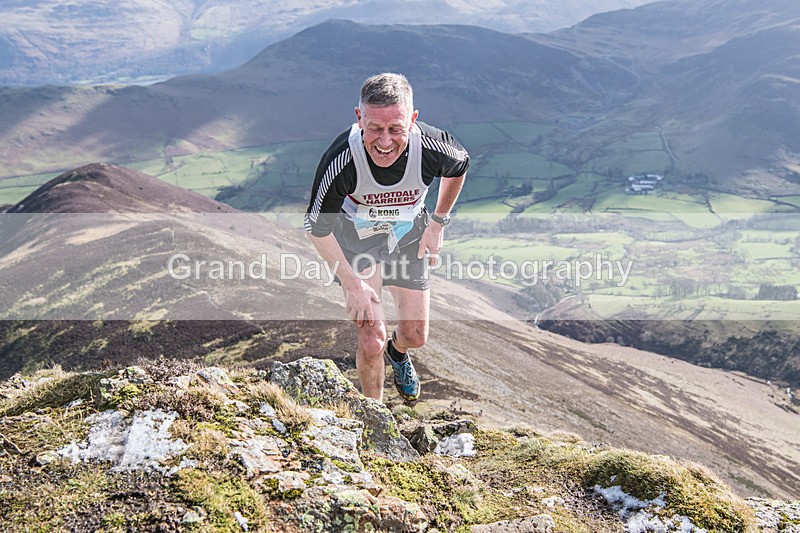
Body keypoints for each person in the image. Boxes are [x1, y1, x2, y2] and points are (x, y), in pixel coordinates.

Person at [304, 73, 468, 402]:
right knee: (371, 339)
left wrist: (437, 222)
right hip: (357, 244)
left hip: (407, 238)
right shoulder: (342, 161)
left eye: (396, 129)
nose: (384, 142)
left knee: (415, 335)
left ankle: (399, 352)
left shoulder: (433, 148)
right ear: (358, 117)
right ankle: (376, 417)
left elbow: (460, 167)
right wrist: (352, 285)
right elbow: (317, 228)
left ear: (413, 119)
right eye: (375, 128)